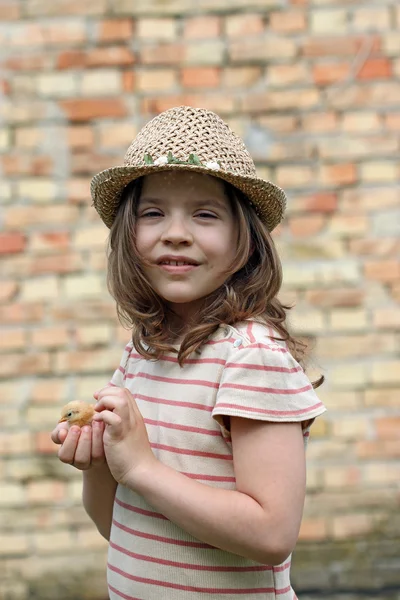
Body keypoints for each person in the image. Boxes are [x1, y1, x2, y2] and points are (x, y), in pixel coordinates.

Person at [51, 105, 326, 599]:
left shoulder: (251, 356)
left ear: (246, 239)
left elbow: (271, 534)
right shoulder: (143, 352)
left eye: (205, 214)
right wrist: (100, 463)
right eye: (153, 213)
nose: (175, 232)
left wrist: (140, 468)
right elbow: (118, 528)